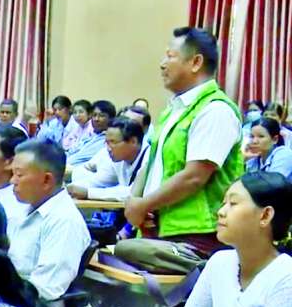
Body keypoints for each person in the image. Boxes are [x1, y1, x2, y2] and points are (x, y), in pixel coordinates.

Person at [126, 27, 243, 255]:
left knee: (119, 253)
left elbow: (194, 177)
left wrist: (144, 205)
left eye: (170, 56)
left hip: (197, 235)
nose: (162, 64)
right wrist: (134, 202)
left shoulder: (215, 110)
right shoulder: (174, 111)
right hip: (158, 227)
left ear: (196, 62)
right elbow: (151, 166)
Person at [169, 172, 292, 307]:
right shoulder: (220, 263)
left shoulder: (286, 277)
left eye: (233, 204)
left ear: (265, 215)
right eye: (223, 203)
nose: (221, 212)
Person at [9, 140, 91, 303]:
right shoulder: (23, 209)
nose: (12, 181)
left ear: (46, 180)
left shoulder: (64, 221)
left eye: (19, 175)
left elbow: (45, 288)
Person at [68, 118, 149, 202]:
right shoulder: (118, 159)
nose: (108, 148)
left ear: (133, 141)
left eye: (113, 142)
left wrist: (88, 193)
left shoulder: (149, 159)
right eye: (107, 143)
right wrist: (70, 189)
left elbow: (133, 193)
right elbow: (98, 181)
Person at [66, 100, 116, 167]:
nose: (96, 119)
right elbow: (70, 152)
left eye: (101, 116)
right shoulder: (90, 136)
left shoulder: (107, 141)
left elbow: (77, 161)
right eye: (94, 115)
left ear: (111, 119)